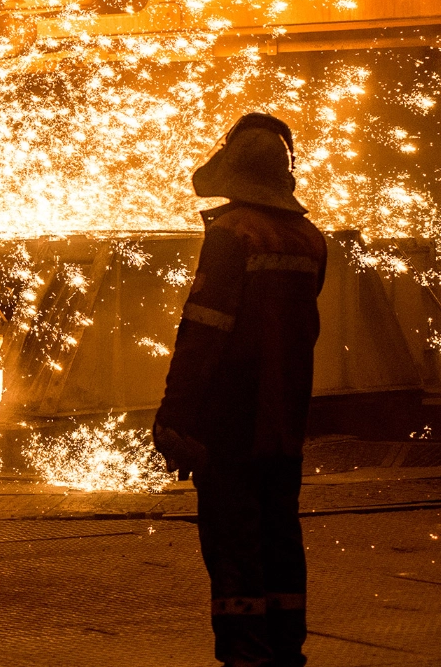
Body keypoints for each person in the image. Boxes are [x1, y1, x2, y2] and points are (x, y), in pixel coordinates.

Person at [153, 113, 327, 667]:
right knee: (281, 538)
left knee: (234, 549)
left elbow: (204, 331)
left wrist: (175, 417)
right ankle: (286, 654)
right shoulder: (310, 238)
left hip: (230, 421)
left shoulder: (233, 234)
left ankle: (245, 657)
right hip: (285, 421)